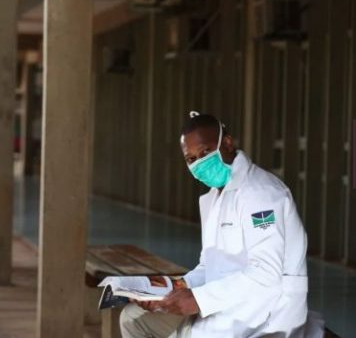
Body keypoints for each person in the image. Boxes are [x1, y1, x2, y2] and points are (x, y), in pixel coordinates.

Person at [120, 112, 310, 338]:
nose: (199, 163)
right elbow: (210, 265)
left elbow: (266, 275)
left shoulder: (261, 193)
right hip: (225, 308)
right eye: (191, 159)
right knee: (132, 318)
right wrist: (178, 286)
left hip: (264, 318)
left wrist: (199, 300)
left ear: (227, 143)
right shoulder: (215, 197)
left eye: (205, 152)